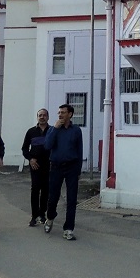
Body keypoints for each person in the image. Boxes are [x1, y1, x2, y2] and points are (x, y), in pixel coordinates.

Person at [43, 102, 83, 241]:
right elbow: (47, 145)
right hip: (56, 167)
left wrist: (78, 170)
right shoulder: (53, 129)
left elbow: (79, 150)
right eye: (59, 112)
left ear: (70, 114)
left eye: (63, 112)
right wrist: (54, 129)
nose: (60, 115)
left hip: (71, 167)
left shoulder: (76, 130)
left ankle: (68, 228)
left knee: (72, 199)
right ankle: (50, 217)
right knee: (53, 196)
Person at [21, 108, 51, 226]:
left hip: (48, 165)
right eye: (40, 115)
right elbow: (24, 148)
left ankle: (42, 214)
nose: (42, 117)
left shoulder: (52, 131)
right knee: (35, 190)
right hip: (35, 165)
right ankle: (34, 216)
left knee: (45, 190)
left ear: (48, 117)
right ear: (37, 117)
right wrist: (30, 159)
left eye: (44, 115)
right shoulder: (31, 132)